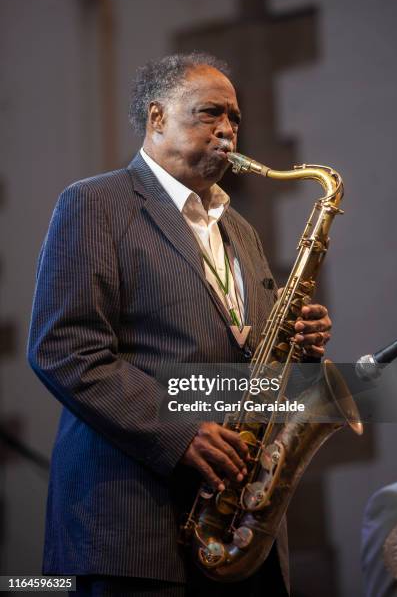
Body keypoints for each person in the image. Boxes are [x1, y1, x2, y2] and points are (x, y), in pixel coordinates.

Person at [28, 52, 332, 596]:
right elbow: (66, 349)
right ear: (157, 117)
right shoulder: (95, 204)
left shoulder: (240, 230)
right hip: (134, 529)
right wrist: (179, 431)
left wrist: (298, 349)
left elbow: (254, 363)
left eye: (235, 118)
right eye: (209, 113)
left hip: (239, 530)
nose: (227, 131)